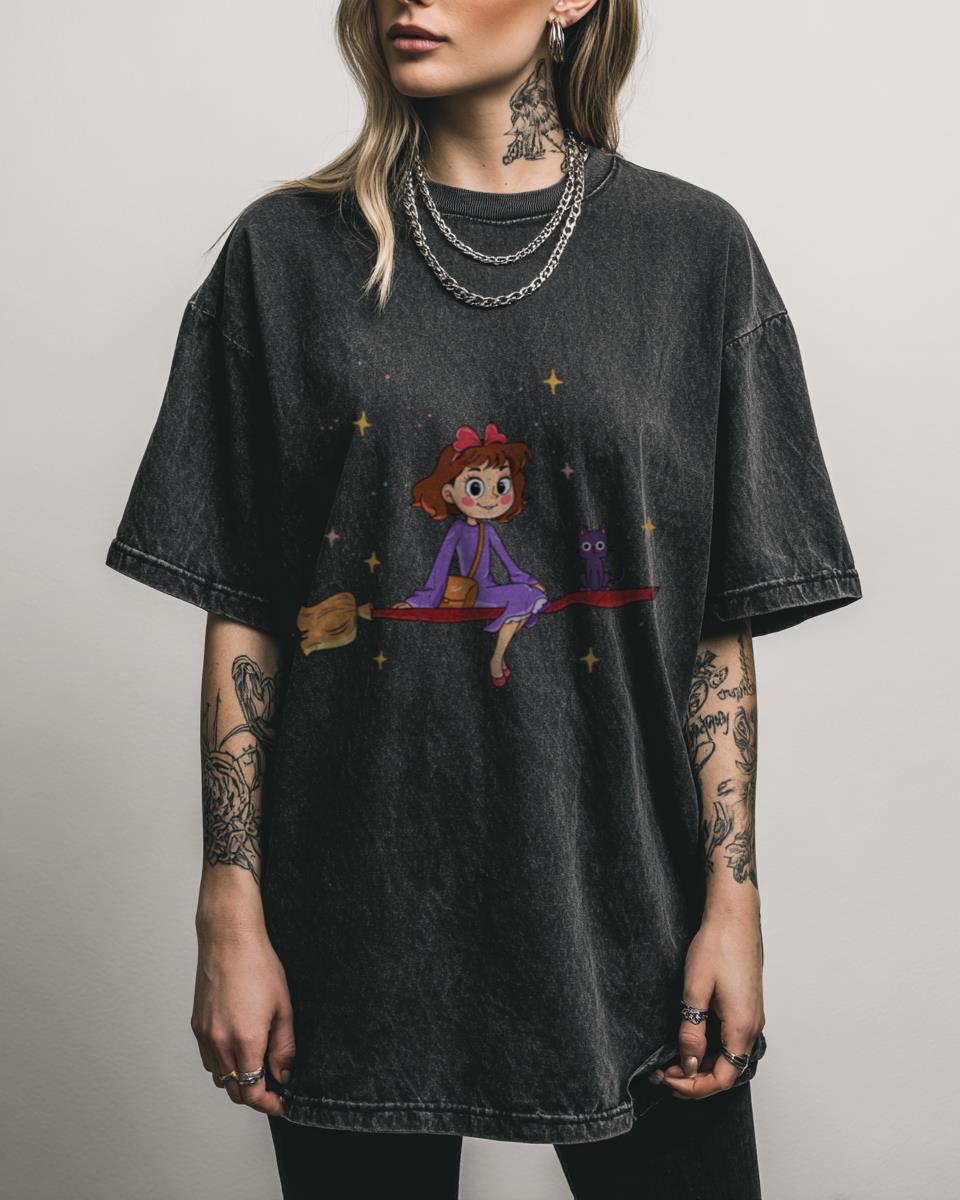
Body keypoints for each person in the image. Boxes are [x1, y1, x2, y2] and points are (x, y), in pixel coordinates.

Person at [104, 0, 864, 1196]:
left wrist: (734, 902)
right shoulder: (284, 255)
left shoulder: (693, 254)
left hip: (630, 916)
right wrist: (229, 905)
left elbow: (715, 631)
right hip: (352, 923)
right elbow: (245, 606)